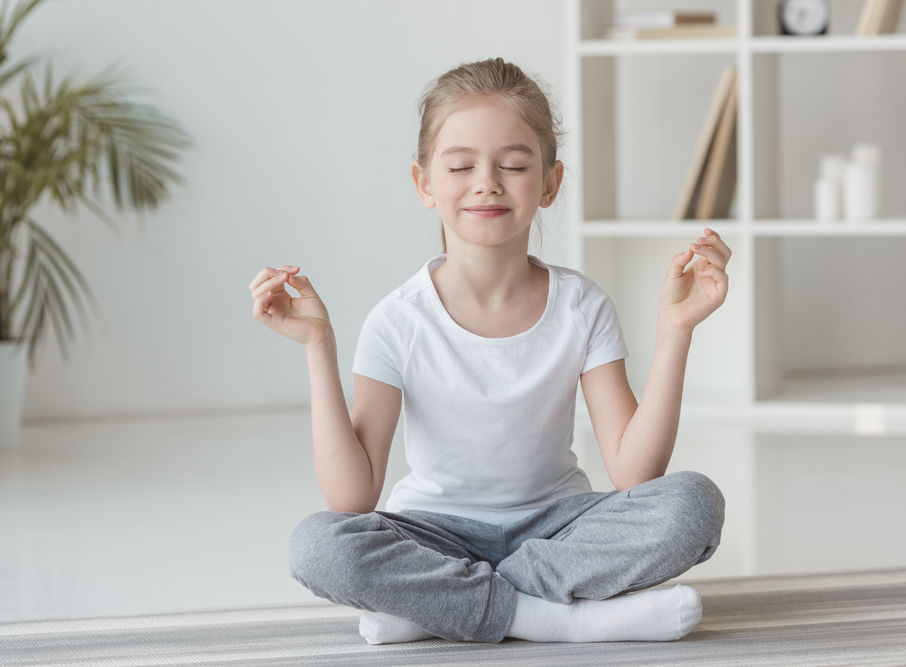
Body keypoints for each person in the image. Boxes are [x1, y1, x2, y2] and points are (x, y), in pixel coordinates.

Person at [249, 57, 729, 646]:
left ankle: (440, 606)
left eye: (514, 164)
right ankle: (551, 619)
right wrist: (317, 347)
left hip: (558, 531)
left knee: (693, 504)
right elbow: (351, 498)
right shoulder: (397, 321)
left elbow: (635, 474)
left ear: (550, 183)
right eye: (460, 165)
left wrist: (675, 330)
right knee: (318, 545)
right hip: (432, 533)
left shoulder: (582, 306)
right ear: (425, 183)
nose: (487, 182)